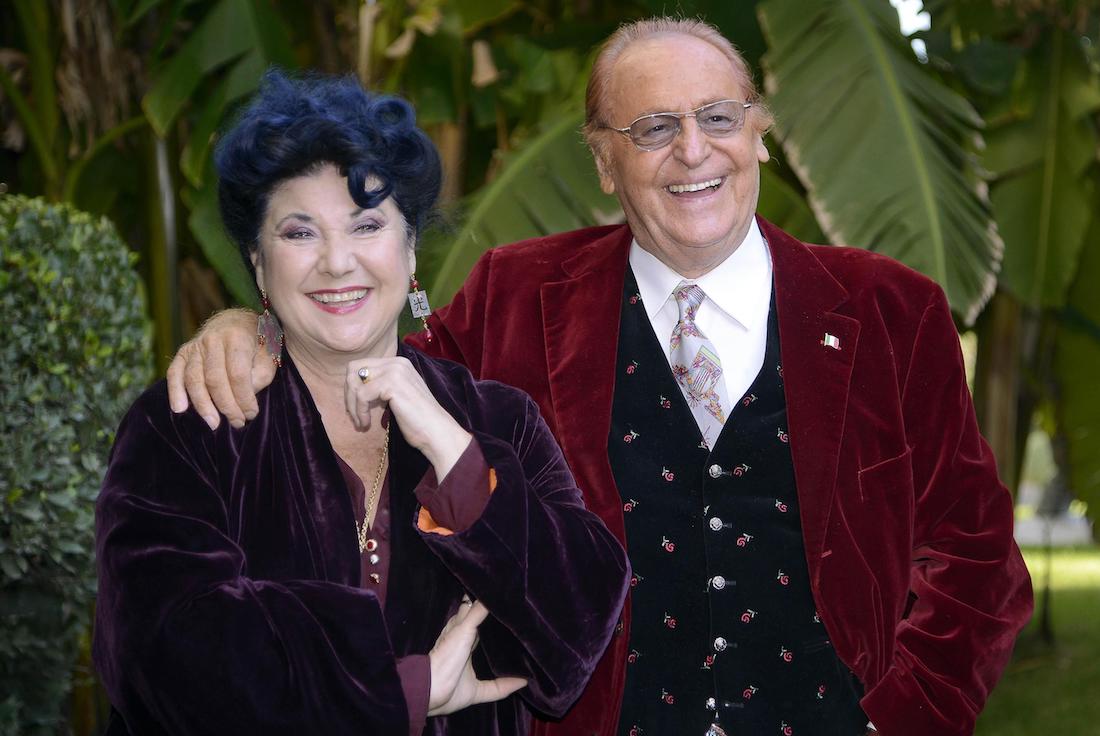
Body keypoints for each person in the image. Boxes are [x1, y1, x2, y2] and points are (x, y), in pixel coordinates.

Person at [167, 18, 1033, 736]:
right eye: (652, 129)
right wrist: (255, 328)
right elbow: (367, 376)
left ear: (759, 136)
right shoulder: (514, 297)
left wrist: (898, 723)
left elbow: (979, 565)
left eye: (719, 117)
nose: (693, 150)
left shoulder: (892, 312)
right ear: (602, 161)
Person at [93, 70, 629, 736]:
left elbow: (573, 639)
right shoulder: (195, 419)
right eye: (299, 233)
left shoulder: (499, 421)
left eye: (367, 225)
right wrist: (403, 687)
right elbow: (163, 651)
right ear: (258, 264)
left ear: (410, 252)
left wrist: (455, 456)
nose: (337, 262)